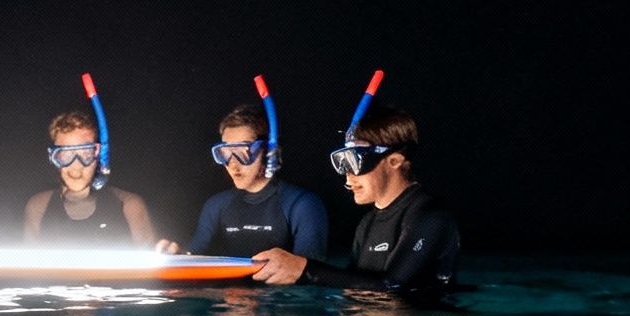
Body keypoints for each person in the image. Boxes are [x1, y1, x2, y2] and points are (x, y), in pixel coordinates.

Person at [251, 104, 459, 300]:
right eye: (344, 163)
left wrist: (305, 270)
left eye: (357, 161)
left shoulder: (431, 216)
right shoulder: (367, 223)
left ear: (394, 161)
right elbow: (351, 288)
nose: (348, 176)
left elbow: (395, 287)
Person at [156, 103, 328, 261]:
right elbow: (194, 257)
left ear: (268, 152)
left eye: (243, 151)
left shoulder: (303, 204)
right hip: (231, 293)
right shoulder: (216, 205)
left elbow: (312, 272)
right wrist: (177, 257)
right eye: (226, 152)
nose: (233, 163)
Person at [22, 109, 157, 247]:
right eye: (66, 155)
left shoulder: (129, 206)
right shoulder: (39, 206)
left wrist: (170, 255)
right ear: (53, 158)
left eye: (86, 153)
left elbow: (154, 263)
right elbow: (27, 265)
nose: (76, 166)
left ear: (98, 155)